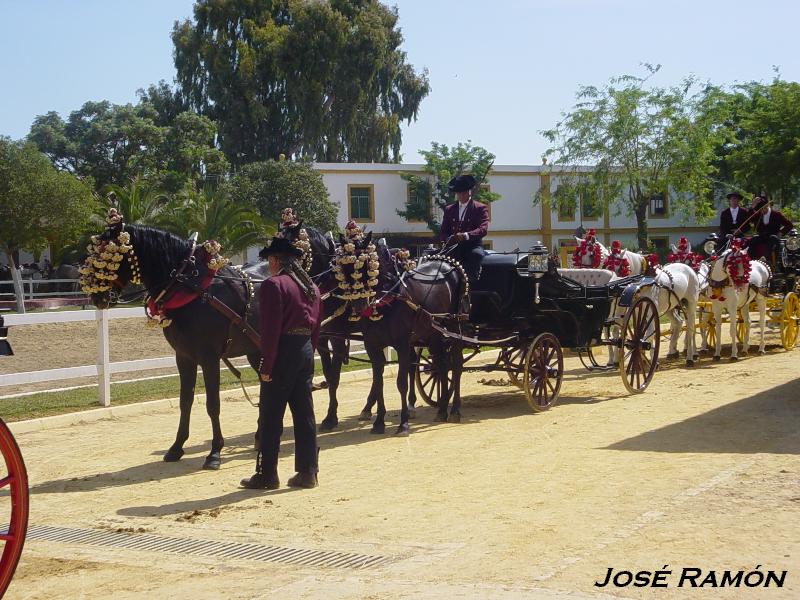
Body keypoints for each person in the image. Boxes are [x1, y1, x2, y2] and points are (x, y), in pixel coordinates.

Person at [240, 235, 322, 490]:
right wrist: (308, 351)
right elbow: (316, 328)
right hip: (305, 350)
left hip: (283, 351)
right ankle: (308, 472)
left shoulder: (274, 285)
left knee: (270, 415)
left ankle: (267, 474)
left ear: (276, 260)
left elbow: (271, 329)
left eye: (269, 259)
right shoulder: (312, 288)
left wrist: (266, 365)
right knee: (304, 414)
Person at [439, 174, 490, 283]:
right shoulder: (449, 209)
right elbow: (443, 231)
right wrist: (448, 239)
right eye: (459, 193)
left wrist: (466, 235)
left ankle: (470, 283)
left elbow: (483, 229)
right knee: (438, 258)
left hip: (472, 246)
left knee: (476, 255)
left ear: (469, 192)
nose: (461, 195)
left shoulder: (480, 208)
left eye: (463, 192)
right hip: (454, 246)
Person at [749, 196, 794, 263]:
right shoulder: (759, 214)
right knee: (752, 240)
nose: (762, 211)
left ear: (767, 205)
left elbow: (789, 225)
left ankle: (764, 257)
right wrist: (752, 206)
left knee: (773, 238)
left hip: (773, 237)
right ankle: (750, 260)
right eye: (760, 209)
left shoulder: (777, 214)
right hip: (762, 236)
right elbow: (750, 219)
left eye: (763, 208)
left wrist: (781, 232)